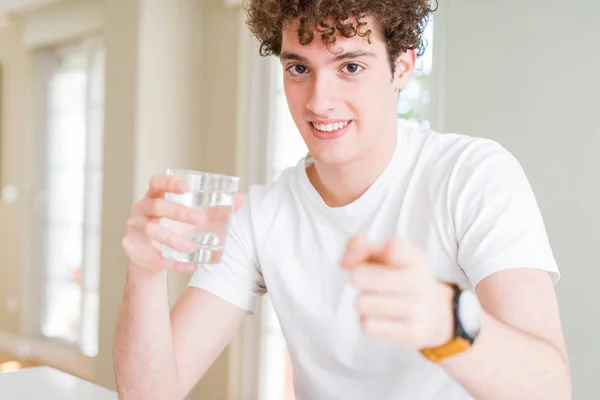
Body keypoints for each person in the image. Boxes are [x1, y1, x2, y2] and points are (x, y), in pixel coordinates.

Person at [114, 0, 571, 399]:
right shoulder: (260, 215)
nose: (319, 101)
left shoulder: (472, 176)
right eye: (299, 69)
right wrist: (146, 272)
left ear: (402, 67)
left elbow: (551, 389)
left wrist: (444, 322)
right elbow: (149, 392)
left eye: (350, 66)